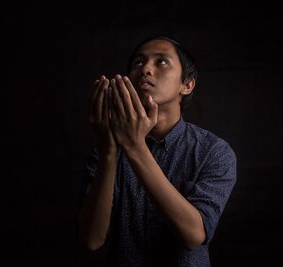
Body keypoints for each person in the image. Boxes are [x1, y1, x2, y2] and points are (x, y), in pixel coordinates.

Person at [77, 35, 236, 266]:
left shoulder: (214, 152)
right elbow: (91, 240)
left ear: (187, 84)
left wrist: (134, 146)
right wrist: (109, 150)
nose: (145, 70)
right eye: (138, 63)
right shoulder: (106, 148)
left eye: (161, 62)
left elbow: (193, 236)